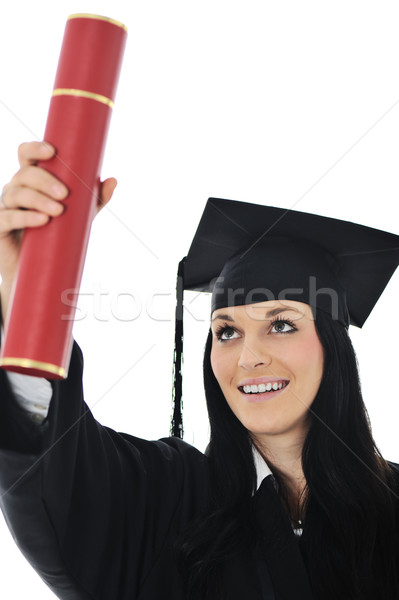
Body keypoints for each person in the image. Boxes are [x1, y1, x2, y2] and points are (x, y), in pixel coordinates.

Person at [0, 141, 398, 600]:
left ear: (333, 346)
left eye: (282, 324)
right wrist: (30, 298)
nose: (248, 357)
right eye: (226, 332)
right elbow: (57, 487)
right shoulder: (164, 499)